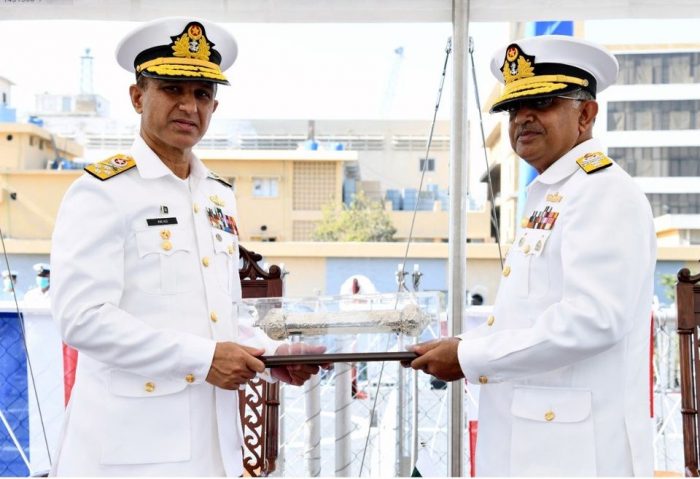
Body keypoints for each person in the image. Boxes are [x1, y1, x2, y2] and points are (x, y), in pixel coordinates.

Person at [50, 17, 322, 476]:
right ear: (138, 97)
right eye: (172, 89)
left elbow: (216, 315)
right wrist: (203, 359)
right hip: (128, 451)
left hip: (213, 450)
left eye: (202, 94)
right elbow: (82, 317)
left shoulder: (217, 194)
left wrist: (267, 356)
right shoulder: (102, 190)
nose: (189, 106)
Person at [406, 35, 656, 476]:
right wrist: (464, 343)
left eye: (541, 102)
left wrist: (468, 359)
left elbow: (592, 320)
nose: (522, 117)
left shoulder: (602, 192)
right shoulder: (552, 194)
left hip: (577, 455)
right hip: (536, 444)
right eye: (513, 108)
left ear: (586, 113)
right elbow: (522, 316)